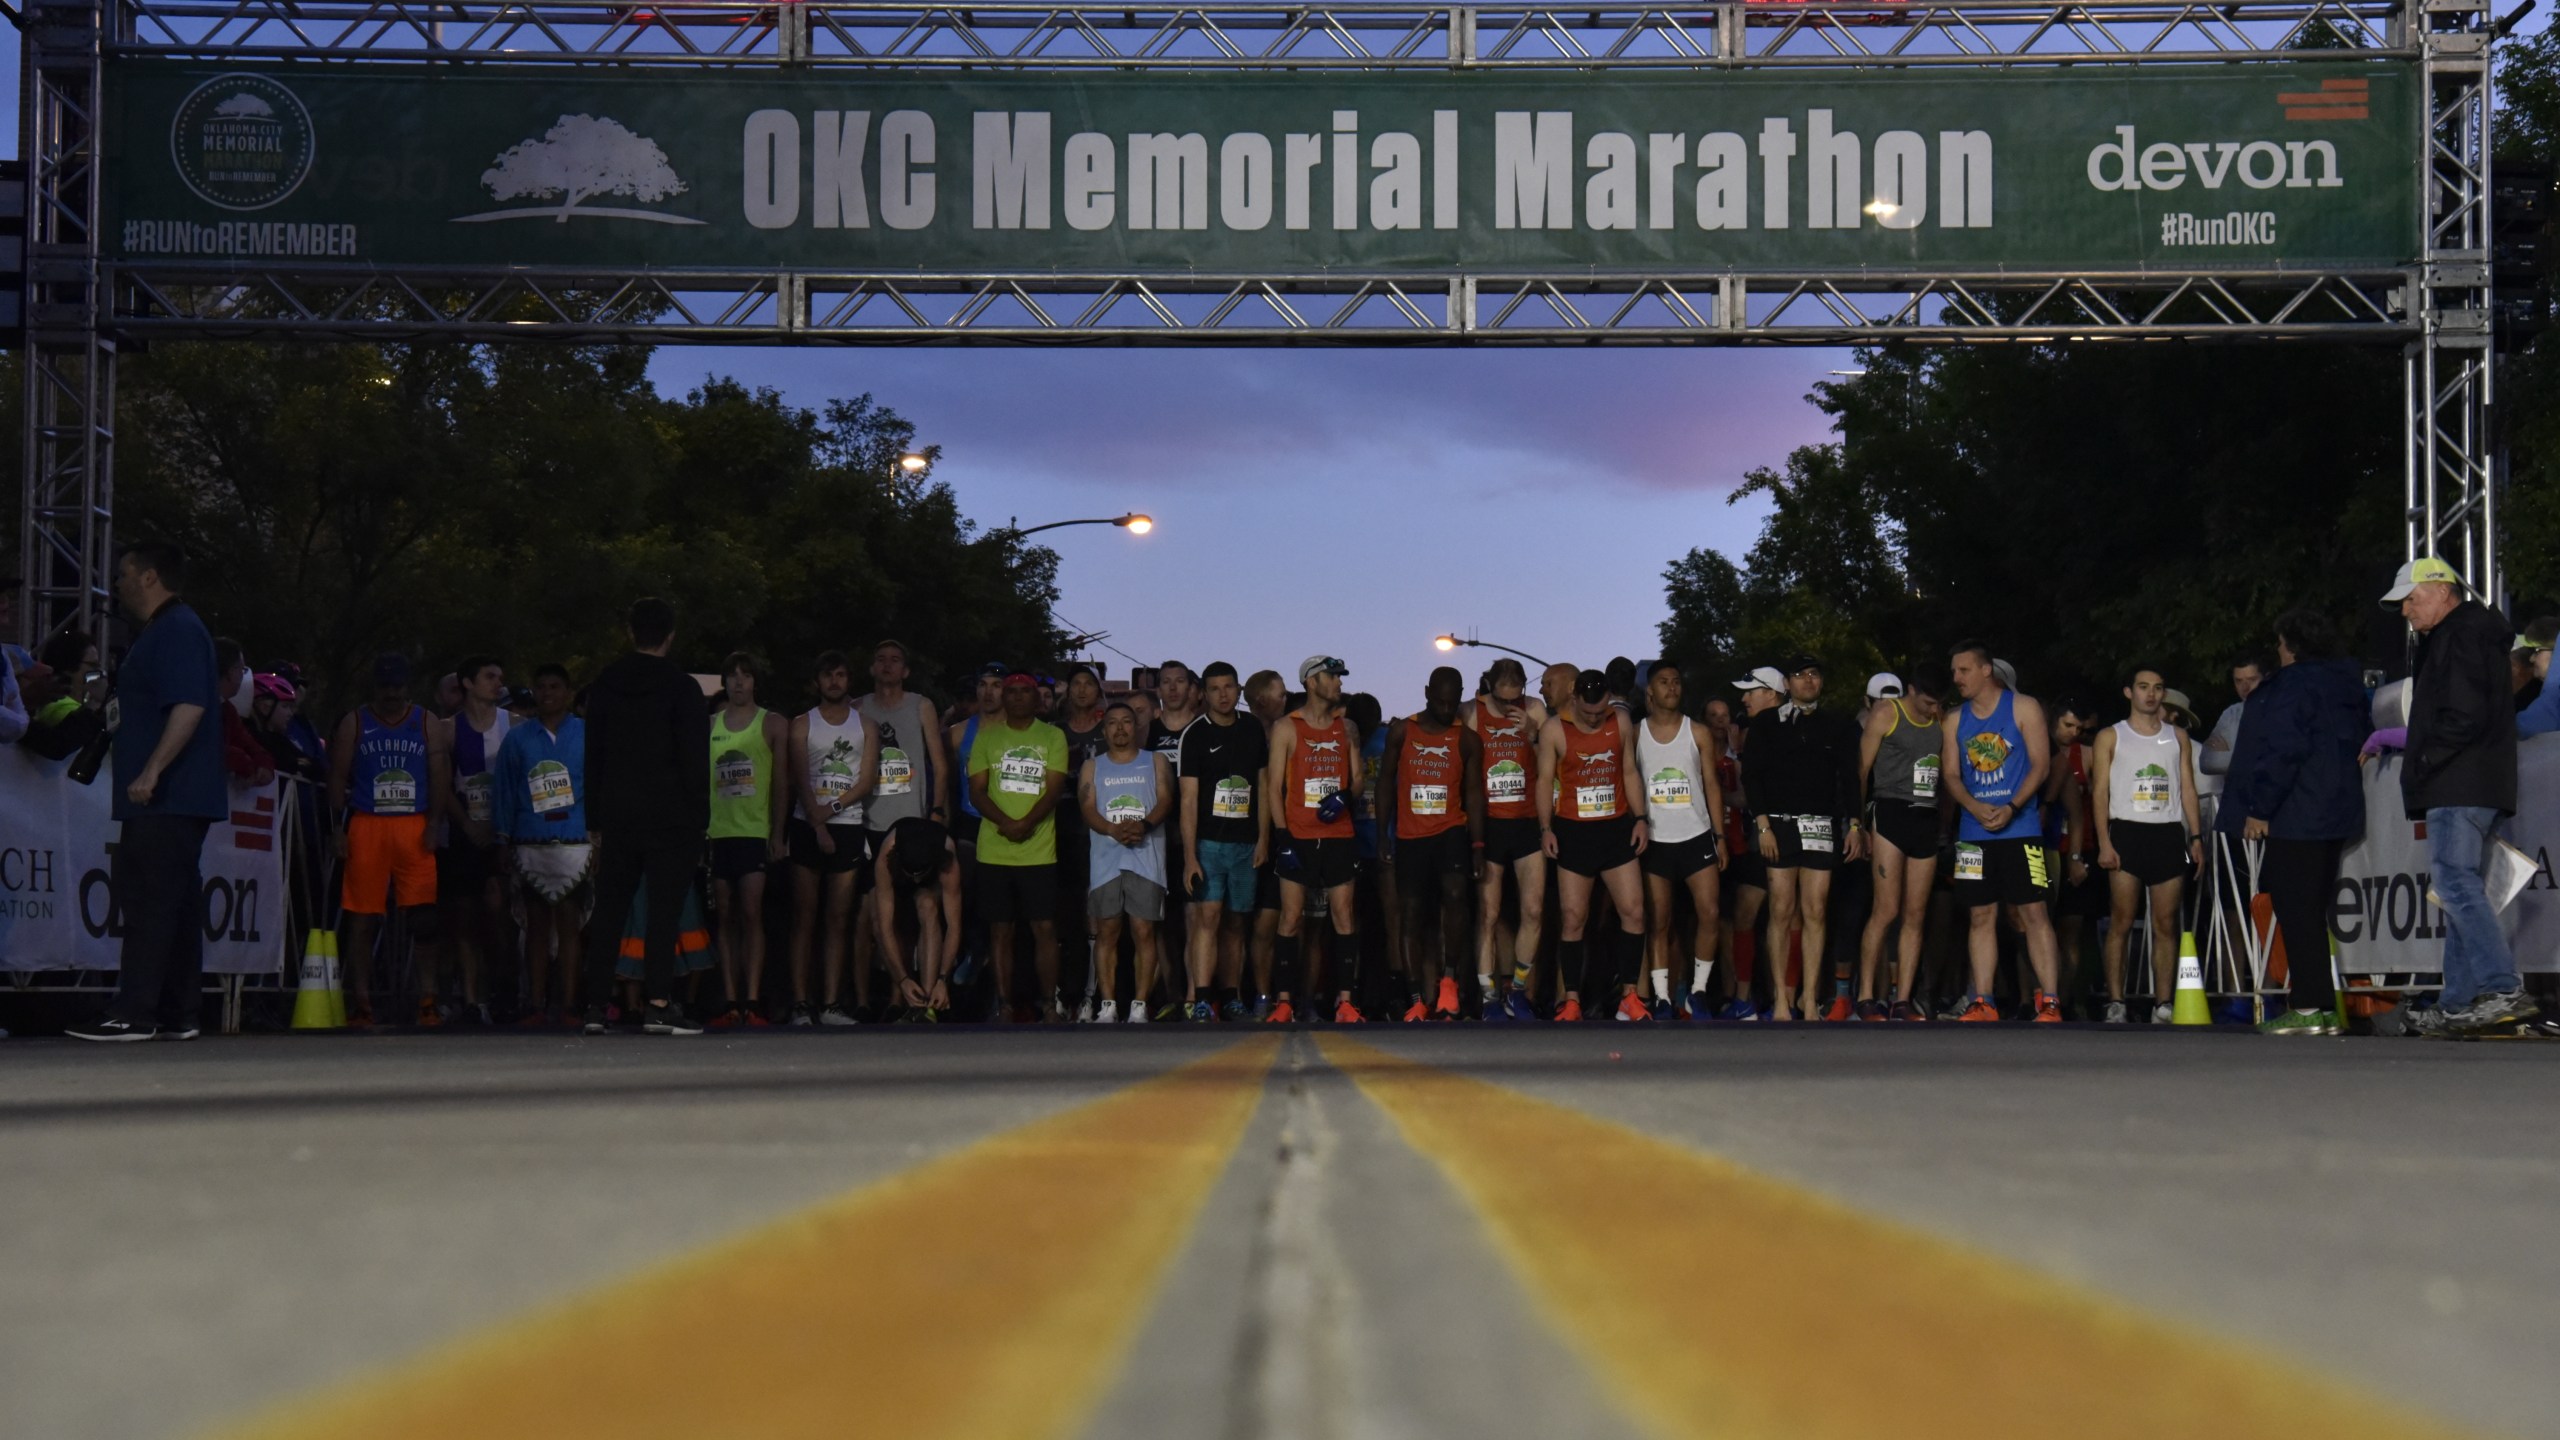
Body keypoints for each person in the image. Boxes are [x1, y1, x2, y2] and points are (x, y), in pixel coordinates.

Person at [67, 542, 224, 1043]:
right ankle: (179, 1011)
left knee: (149, 900)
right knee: (176, 903)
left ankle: (134, 1011)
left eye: (123, 574)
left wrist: (153, 769)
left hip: (167, 795)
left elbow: (189, 705)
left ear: (150, 577)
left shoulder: (177, 629)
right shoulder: (166, 630)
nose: (116, 584)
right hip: (172, 795)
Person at [2385, 559, 2537, 1035]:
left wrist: (2425, 761)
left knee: (2454, 884)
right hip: (2477, 780)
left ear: (2442, 591)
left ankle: (2501, 987)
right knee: (2459, 890)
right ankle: (2459, 1002)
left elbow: (2463, 715)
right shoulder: (2474, 634)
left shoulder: (2459, 635)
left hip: (2459, 781)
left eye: (2412, 599)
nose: (2406, 610)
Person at [2223, 610, 2370, 1036]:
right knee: (2312, 909)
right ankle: (2321, 1007)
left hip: (2299, 811)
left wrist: (2260, 807)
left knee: (2295, 908)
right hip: (2338, 809)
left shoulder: (2292, 686)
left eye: (2280, 644)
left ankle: (2308, 1007)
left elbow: (2283, 750)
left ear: (2291, 646)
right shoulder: (2346, 684)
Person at [579, 597, 713, 1037]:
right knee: (663, 910)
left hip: (619, 812)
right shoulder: (681, 688)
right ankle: (658, 1002)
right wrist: (700, 817)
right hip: (671, 814)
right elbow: (694, 757)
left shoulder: (606, 683)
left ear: (630, 632)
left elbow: (594, 754)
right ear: (670, 636)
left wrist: (595, 819)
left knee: (610, 910)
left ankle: (596, 1005)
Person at [1943, 640, 2065, 1023]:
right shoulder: (1954, 719)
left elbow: (2041, 765)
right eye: (1954, 671)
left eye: (1964, 670)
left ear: (1986, 670)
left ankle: (2050, 1001)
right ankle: (1983, 1001)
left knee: (2033, 911)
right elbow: (1950, 774)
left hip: (2022, 829)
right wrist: (1974, 806)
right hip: (1973, 832)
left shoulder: (2023, 707)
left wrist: (2012, 807)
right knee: (1980, 914)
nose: (1956, 677)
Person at [328, 652, 452, 1029]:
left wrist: (435, 823)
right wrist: (337, 827)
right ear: (375, 687)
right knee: (363, 916)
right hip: (368, 824)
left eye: (397, 686)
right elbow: (337, 775)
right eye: (385, 687)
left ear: (407, 686)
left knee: (424, 917)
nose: (392, 694)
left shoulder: (425, 722)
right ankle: (362, 1001)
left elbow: (439, 772)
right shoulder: (355, 722)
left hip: (413, 824)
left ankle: (427, 998)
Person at [1739, 656, 1863, 1022]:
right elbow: (1752, 776)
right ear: (1787, 683)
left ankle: (1809, 999)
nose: (1808, 680)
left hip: (1821, 824)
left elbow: (1850, 778)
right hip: (1779, 824)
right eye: (1800, 675)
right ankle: (1781, 999)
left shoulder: (1838, 725)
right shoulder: (1765, 723)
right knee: (1780, 908)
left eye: (1814, 674)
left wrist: (1855, 826)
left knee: (1816, 910)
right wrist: (1763, 826)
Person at [2091, 668, 2205, 1024]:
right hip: (2126, 831)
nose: (2151, 694)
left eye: (2157, 688)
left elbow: (2188, 788)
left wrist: (2196, 837)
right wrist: (2104, 842)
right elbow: (2099, 792)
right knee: (2122, 920)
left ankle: (2163, 1003)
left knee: (2166, 923)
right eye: (2143, 687)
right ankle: (2116, 1001)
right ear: (2129, 692)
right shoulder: (2111, 736)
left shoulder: (2177, 736)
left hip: (2167, 832)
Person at [1537, 668, 1652, 1022]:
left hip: (1615, 830)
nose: (1593, 718)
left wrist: (1640, 818)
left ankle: (1629, 995)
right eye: (1587, 713)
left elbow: (1629, 771)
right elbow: (1544, 781)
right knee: (1573, 918)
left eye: (1600, 711)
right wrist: (1546, 828)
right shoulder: (1554, 729)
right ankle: (1571, 1000)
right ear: (1574, 700)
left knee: (1634, 911)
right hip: (1574, 832)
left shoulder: (1620, 721)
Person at [1265, 656, 1367, 1023]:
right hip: (1300, 835)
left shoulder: (1347, 728)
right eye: (1332, 676)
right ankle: (1284, 1002)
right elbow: (1273, 787)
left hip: (1338, 835)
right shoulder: (1286, 727)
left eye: (1339, 676)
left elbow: (1358, 779)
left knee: (1343, 916)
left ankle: (1345, 1002)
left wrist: (1345, 796)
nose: (1339, 683)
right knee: (1291, 918)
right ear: (1312, 682)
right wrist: (1282, 837)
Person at [1379, 667, 1484, 1022]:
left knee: (1455, 896)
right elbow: (1385, 783)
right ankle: (1415, 998)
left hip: (1450, 831)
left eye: (1453, 702)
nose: (1446, 708)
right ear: (1426, 693)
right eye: (1440, 701)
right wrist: (1382, 834)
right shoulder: (1402, 732)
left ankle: (1449, 981)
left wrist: (1478, 844)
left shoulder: (1467, 739)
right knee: (1411, 914)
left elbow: (1474, 794)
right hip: (1410, 836)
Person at [855, 640, 949, 1019]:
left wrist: (937, 813)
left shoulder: (920, 706)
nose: (887, 665)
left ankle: (906, 999)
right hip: (868, 822)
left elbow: (939, 764)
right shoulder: (858, 708)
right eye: (880, 659)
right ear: (871, 668)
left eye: (895, 660)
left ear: (906, 670)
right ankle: (862, 1001)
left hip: (911, 823)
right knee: (870, 918)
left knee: (915, 914)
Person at [969, 671, 1069, 1021]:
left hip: (1038, 850)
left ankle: (1049, 1004)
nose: (1016, 697)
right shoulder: (987, 737)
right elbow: (976, 790)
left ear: (1036, 698)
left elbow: (1054, 789)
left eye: (1024, 692)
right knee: (1000, 930)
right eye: (1010, 692)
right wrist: (1006, 822)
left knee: (1044, 928)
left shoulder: (1053, 736)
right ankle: (1005, 1005)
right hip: (994, 850)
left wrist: (1026, 823)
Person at [787, 652, 879, 1026]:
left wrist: (833, 809)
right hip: (807, 824)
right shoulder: (801, 724)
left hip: (848, 824)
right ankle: (800, 1002)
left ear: (848, 680)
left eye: (841, 674)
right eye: (828, 675)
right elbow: (799, 779)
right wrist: (818, 823)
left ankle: (830, 1004)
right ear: (817, 682)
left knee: (839, 918)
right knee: (804, 917)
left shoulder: (865, 726)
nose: (835, 681)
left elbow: (866, 779)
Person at [496, 665, 587, 1024]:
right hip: (529, 839)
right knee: (534, 926)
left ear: (568, 692)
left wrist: (599, 837)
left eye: (555, 686)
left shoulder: (586, 734)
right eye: (542, 686)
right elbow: (504, 790)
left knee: (569, 925)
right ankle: (535, 1004)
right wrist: (502, 838)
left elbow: (598, 788)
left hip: (575, 839)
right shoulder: (517, 739)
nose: (548, 693)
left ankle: (569, 1004)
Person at [1636, 659, 1725, 1019]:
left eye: (1676, 681)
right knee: (1659, 920)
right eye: (1663, 682)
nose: (1671, 687)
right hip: (1656, 840)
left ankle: (1698, 992)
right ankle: (1661, 997)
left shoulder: (1697, 732)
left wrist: (1719, 835)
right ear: (1650, 691)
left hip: (1696, 835)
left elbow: (1712, 785)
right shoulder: (1636, 733)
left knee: (1710, 913)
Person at [1179, 661, 1268, 1022]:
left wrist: (1264, 838)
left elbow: (1263, 786)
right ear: (1204, 693)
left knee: (1236, 922)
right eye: (1215, 689)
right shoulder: (1195, 734)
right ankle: (1202, 997)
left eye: (1228, 687)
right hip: (1209, 843)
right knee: (1208, 917)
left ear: (1239, 689)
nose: (1223, 695)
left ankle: (1232, 996)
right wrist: (1189, 856)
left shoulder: (1252, 728)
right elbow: (1188, 799)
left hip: (1246, 843)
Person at [1856, 673, 1943, 1021]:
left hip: (1926, 816)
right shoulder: (1887, 713)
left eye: (1937, 704)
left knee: (1915, 914)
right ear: (1912, 690)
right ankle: (1865, 995)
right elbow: (1861, 770)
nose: (1932, 709)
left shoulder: (1940, 718)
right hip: (1891, 812)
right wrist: (1857, 824)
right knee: (1886, 909)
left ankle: (1902, 999)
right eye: (1927, 702)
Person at [708, 653, 788, 1027]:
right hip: (719, 832)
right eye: (733, 676)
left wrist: (777, 832)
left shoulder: (771, 723)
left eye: (746, 675)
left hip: (754, 832)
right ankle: (730, 999)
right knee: (725, 915)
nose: (739, 682)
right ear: (724, 681)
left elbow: (781, 783)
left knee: (752, 913)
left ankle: (753, 1000)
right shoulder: (710, 725)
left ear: (755, 681)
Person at [1081, 700, 1174, 1022]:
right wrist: (1112, 830)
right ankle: (1107, 1004)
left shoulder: (1155, 761)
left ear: (1136, 727)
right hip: (1106, 860)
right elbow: (1087, 807)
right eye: (1112, 723)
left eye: (1126, 722)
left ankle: (1139, 1004)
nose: (1120, 728)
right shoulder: (1092, 766)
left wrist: (1144, 826)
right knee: (1107, 931)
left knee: (1144, 931)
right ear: (1104, 730)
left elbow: (1166, 799)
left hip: (1146, 857)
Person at [1467, 658, 1549, 1022]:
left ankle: (1517, 991)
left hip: (1526, 821)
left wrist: (1532, 733)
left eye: (1515, 698)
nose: (1509, 706)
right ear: (1489, 687)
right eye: (1502, 700)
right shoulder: (1473, 711)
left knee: (1533, 910)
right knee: (1489, 913)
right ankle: (1489, 997)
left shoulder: (1535, 710)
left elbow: (1551, 765)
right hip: (1490, 824)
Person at [439, 656, 511, 1025]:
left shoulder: (514, 725)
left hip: (501, 835)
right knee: (464, 915)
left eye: (500, 677)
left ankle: (500, 991)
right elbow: (441, 784)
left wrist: (502, 830)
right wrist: (466, 824)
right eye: (489, 676)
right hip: (464, 835)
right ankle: (469, 998)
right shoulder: (447, 729)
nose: (498, 683)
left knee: (497, 914)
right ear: (467, 683)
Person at [1716, 672, 1781, 1019]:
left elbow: (1752, 793)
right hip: (1759, 842)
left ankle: (1782, 1000)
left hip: (1783, 840)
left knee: (1786, 918)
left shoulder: (1784, 729)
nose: (1743, 700)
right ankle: (1747, 999)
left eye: (1750, 692)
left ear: (1772, 693)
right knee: (1747, 916)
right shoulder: (1756, 733)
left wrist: (1713, 794)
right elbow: (1751, 792)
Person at [1053, 666, 1108, 1021]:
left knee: (1094, 914)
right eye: (1077, 684)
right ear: (1068, 691)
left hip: (1099, 831)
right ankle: (1062, 991)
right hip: (1059, 828)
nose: (1083, 690)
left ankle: (1091, 994)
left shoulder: (1108, 730)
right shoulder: (1054, 732)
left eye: (1089, 684)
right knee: (1063, 913)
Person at [872, 815, 963, 1020]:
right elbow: (884, 927)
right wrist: (902, 979)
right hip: (895, 874)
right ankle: (898, 999)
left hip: (931, 881)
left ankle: (927, 1002)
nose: (916, 880)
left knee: (928, 906)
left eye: (919, 875)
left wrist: (942, 979)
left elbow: (954, 926)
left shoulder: (947, 855)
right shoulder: (887, 853)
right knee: (878, 922)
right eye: (912, 875)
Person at [2516, 618, 2559, 739]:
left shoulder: (2553, 696)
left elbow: (2527, 727)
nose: (2531, 659)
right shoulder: (2533, 690)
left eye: (2537, 651)